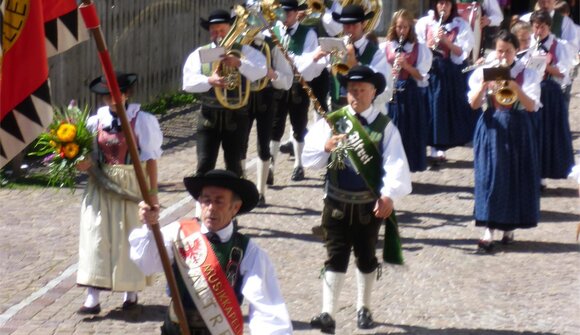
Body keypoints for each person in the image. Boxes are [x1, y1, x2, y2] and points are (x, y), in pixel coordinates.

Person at [302, 66, 412, 333]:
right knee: (335, 255)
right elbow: (309, 158)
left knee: (365, 256)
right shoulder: (334, 120)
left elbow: (395, 164)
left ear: (373, 92)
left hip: (367, 206)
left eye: (362, 90)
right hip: (336, 204)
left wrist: (388, 195)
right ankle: (328, 313)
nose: (356, 95)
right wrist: (325, 148)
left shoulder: (384, 127)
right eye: (352, 90)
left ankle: (364, 307)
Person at [130, 169, 293, 334]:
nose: (211, 208)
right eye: (206, 200)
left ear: (235, 207)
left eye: (219, 201)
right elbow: (147, 263)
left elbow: (266, 306)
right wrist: (149, 227)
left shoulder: (248, 251)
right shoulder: (179, 233)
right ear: (199, 202)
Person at [76, 72, 163, 314]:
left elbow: (151, 159)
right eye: (107, 96)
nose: (111, 99)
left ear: (126, 94)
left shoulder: (142, 120)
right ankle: (92, 295)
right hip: (101, 182)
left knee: (129, 235)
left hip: (131, 182)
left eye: (117, 94)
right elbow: (86, 154)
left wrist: (152, 194)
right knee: (96, 233)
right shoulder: (95, 122)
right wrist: (80, 162)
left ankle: (130, 291)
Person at [467, 30, 542, 251]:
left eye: (508, 51)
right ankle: (488, 228)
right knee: (489, 176)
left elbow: (531, 106)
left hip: (517, 126)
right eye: (500, 50)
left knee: (513, 176)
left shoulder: (527, 73)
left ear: (516, 51)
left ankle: (509, 227)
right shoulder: (484, 71)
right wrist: (484, 85)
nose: (503, 54)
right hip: (491, 126)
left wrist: (513, 84)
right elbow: (473, 104)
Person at [182, 9, 267, 178]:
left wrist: (240, 63)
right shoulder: (201, 54)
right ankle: (203, 202)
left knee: (235, 167)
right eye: (214, 31)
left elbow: (261, 71)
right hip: (208, 118)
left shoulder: (244, 51)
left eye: (222, 30)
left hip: (237, 116)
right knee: (204, 166)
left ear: (230, 29)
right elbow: (187, 83)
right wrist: (208, 81)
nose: (218, 35)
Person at [268, 0, 328, 183]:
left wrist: (296, 60)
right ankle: (270, 166)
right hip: (277, 84)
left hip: (298, 84)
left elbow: (309, 60)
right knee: (275, 126)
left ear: (296, 13)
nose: (285, 17)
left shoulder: (307, 33)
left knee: (298, 125)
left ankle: (298, 165)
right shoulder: (273, 31)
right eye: (282, 13)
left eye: (288, 13)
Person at [415, 0, 476, 163]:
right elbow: (416, 47)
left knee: (440, 108)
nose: (444, 7)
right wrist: (427, 45)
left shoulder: (461, 25)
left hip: (448, 72)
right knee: (425, 108)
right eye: (441, 3)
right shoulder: (424, 23)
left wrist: (445, 41)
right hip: (427, 69)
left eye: (447, 4)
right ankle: (422, 145)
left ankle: (438, 148)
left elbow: (462, 53)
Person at [239, 29, 294, 206]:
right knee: (240, 145)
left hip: (266, 97)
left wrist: (274, 74)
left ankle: (261, 192)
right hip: (243, 97)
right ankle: (242, 186)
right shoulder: (237, 42)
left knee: (264, 145)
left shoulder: (271, 44)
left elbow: (287, 80)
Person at [383, 9, 433, 172]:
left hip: (410, 94)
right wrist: (391, 71)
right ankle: (390, 169)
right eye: (399, 27)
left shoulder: (419, 48)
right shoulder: (386, 46)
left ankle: (406, 169)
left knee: (409, 133)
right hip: (391, 92)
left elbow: (422, 77)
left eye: (405, 27)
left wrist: (406, 66)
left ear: (410, 28)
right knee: (390, 133)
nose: (402, 31)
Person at [529, 10, 575, 184]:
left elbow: (564, 74)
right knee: (531, 133)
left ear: (549, 27)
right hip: (530, 91)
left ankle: (542, 175)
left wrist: (545, 66)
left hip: (549, 93)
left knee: (546, 134)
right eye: (536, 27)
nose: (539, 31)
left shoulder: (559, 45)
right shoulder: (528, 43)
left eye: (542, 27)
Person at [325, 4, 391, 111]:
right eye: (346, 25)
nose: (350, 30)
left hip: (366, 113)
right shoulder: (337, 47)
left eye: (354, 25)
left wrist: (355, 65)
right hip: (339, 110)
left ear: (363, 24)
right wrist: (316, 58)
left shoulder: (377, 54)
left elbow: (383, 87)